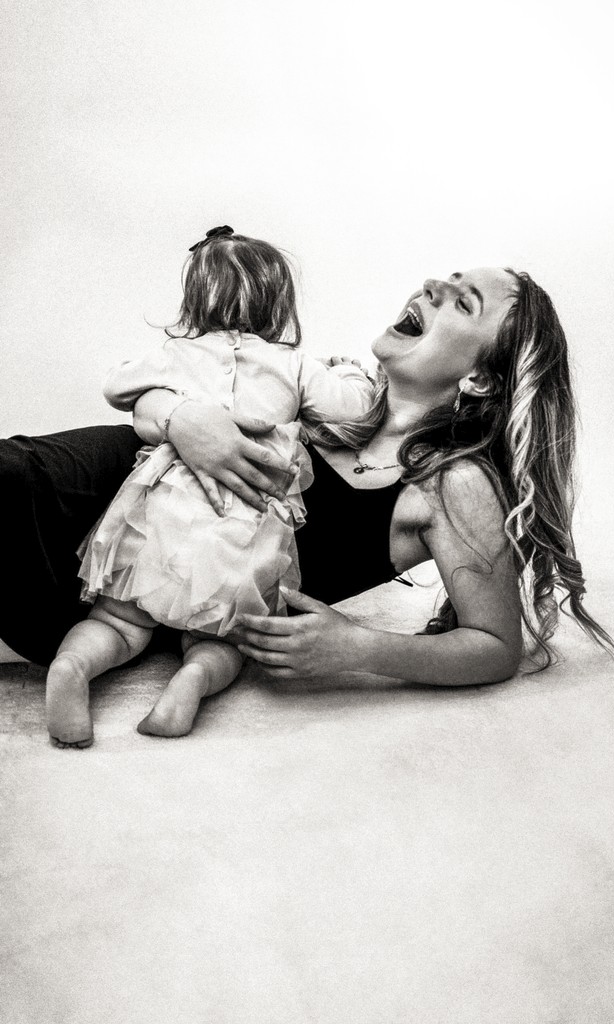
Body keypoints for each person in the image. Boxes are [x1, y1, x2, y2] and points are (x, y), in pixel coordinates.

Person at [0, 265, 614, 747]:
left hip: (122, 591)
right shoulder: (335, 392)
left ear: (480, 378)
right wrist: (180, 417)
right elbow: (167, 388)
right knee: (11, 471)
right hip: (124, 488)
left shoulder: (452, 482)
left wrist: (360, 648)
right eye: (444, 281)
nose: (433, 286)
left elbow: (495, 645)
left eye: (463, 303)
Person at [42, 226, 374, 747]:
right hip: (241, 529)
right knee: (223, 639)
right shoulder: (294, 365)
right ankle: (193, 678)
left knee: (119, 622)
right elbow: (353, 409)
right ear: (279, 304)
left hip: (161, 515)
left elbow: (115, 386)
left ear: (194, 299)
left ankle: (73, 667)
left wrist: (162, 390)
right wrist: (351, 372)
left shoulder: (174, 353)